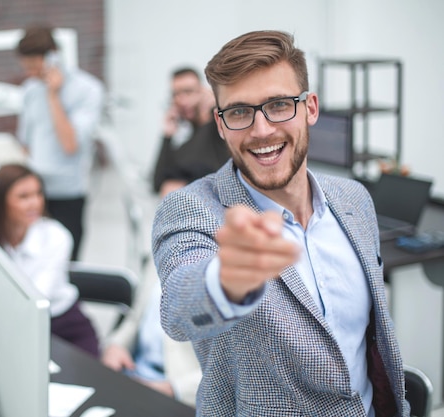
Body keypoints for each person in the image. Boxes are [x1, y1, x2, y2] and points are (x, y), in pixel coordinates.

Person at [152, 30, 408, 416]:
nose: (261, 130)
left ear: (311, 108)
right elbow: (177, 309)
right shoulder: (190, 209)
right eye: (239, 112)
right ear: (220, 124)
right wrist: (226, 281)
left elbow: (373, 348)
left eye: (278, 105)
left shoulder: (354, 200)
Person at [0, 164, 99, 357]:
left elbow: (32, 303)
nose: (35, 203)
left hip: (62, 328)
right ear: (1, 201)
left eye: (38, 194)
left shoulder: (57, 237)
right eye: (24, 197)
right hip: (10, 329)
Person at [15, 25, 106, 260]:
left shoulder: (88, 90)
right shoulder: (29, 90)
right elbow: (25, 142)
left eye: (34, 67)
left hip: (68, 193)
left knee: (66, 264)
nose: (31, 74)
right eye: (27, 68)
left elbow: (70, 143)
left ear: (52, 57)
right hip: (35, 192)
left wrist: (53, 95)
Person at [100, 268, 201, 407]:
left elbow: (233, 371)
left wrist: (173, 389)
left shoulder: (229, 271)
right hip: (134, 375)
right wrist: (116, 345)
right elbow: (136, 318)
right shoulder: (163, 251)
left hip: (182, 396)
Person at [152, 67, 230, 198]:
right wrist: (167, 136)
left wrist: (210, 112)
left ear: (203, 92)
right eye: (175, 94)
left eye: (188, 92)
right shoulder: (186, 142)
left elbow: (203, 165)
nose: (182, 100)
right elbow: (157, 183)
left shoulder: (220, 128)